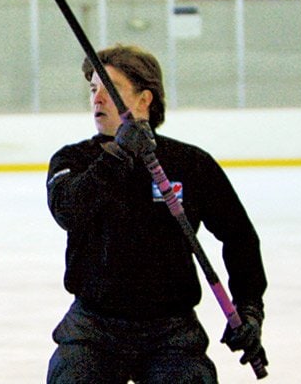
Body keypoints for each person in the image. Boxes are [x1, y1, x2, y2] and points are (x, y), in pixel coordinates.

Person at [45, 44, 267, 384]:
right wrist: (117, 154)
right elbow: (68, 211)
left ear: (144, 99)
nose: (97, 99)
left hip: (171, 332)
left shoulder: (190, 163)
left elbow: (239, 237)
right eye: (93, 89)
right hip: (93, 328)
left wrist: (250, 308)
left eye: (110, 89)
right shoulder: (74, 161)